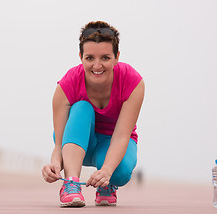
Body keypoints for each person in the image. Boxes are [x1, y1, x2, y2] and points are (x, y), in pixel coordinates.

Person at [41, 21, 145, 207]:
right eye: (90, 58)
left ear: (116, 57)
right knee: (82, 107)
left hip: (112, 141)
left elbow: (122, 136)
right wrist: (55, 164)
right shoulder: (67, 84)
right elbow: (59, 142)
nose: (97, 66)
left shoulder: (132, 81)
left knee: (119, 173)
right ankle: (71, 184)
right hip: (78, 142)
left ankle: (106, 185)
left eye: (105, 57)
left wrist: (106, 171)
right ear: (81, 57)